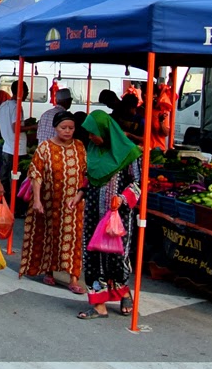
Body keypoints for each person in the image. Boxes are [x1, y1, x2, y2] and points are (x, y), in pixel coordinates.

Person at [77, 110, 142, 319]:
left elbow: (137, 183)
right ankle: (98, 305)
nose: (90, 137)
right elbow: (89, 176)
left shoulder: (129, 152)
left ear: (105, 131)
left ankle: (124, 292)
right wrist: (79, 194)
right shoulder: (93, 149)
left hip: (118, 217)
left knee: (116, 257)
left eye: (93, 133)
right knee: (92, 255)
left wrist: (122, 198)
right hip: (93, 213)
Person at [21, 111, 88, 295]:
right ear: (55, 128)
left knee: (73, 239)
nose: (67, 131)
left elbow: (85, 173)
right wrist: (36, 200)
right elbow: (36, 174)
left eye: (71, 128)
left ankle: (73, 278)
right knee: (50, 235)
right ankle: (49, 271)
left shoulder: (80, 147)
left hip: (74, 204)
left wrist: (80, 195)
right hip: (50, 201)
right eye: (63, 128)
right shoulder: (45, 148)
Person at [0, 80, 25, 194]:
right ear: (21, 91)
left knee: (5, 180)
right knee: (16, 181)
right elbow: (16, 128)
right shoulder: (17, 106)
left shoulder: (4, 105)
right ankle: (14, 207)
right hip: (17, 149)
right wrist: (34, 126)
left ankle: (6, 205)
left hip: (6, 148)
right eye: (26, 91)